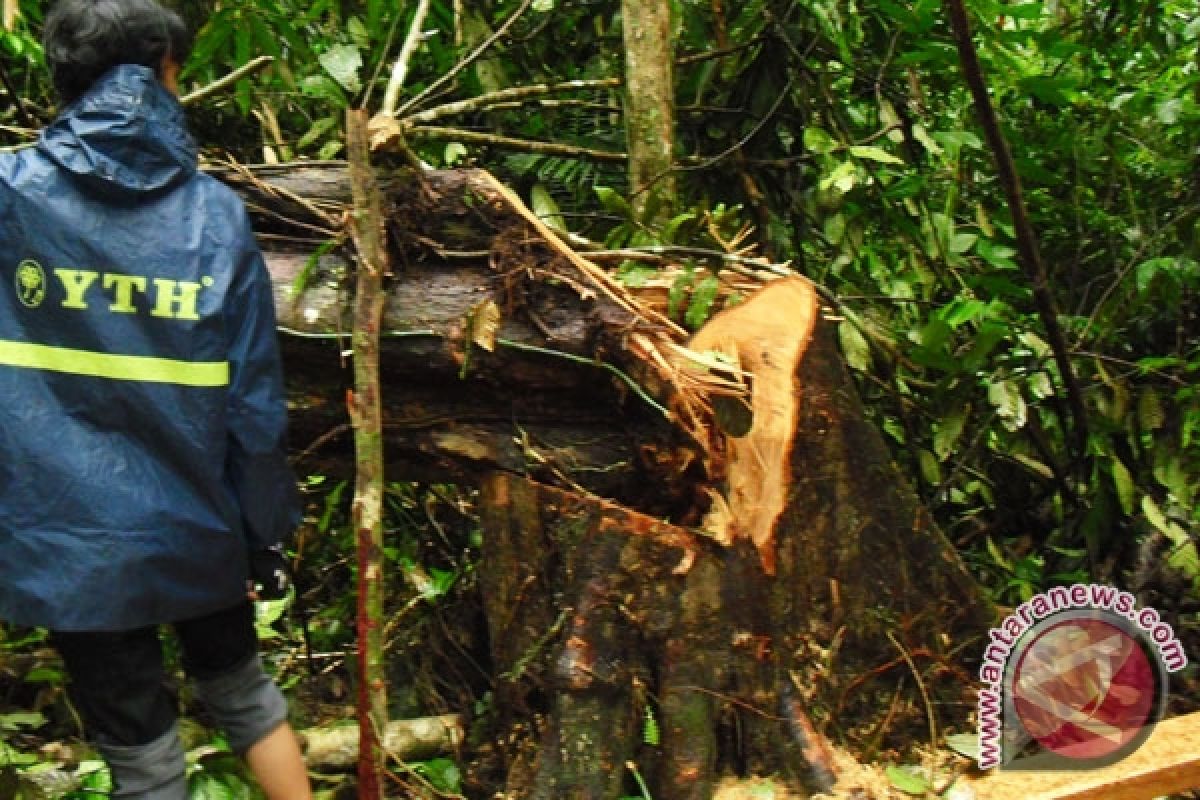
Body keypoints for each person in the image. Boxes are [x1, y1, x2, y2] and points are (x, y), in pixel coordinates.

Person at [0, 0, 313, 797]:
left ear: (62, 75)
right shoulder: (215, 214)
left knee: (139, 749)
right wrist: (265, 529)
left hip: (66, 536)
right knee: (244, 693)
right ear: (165, 74)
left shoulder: (9, 195)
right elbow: (251, 396)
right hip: (197, 519)